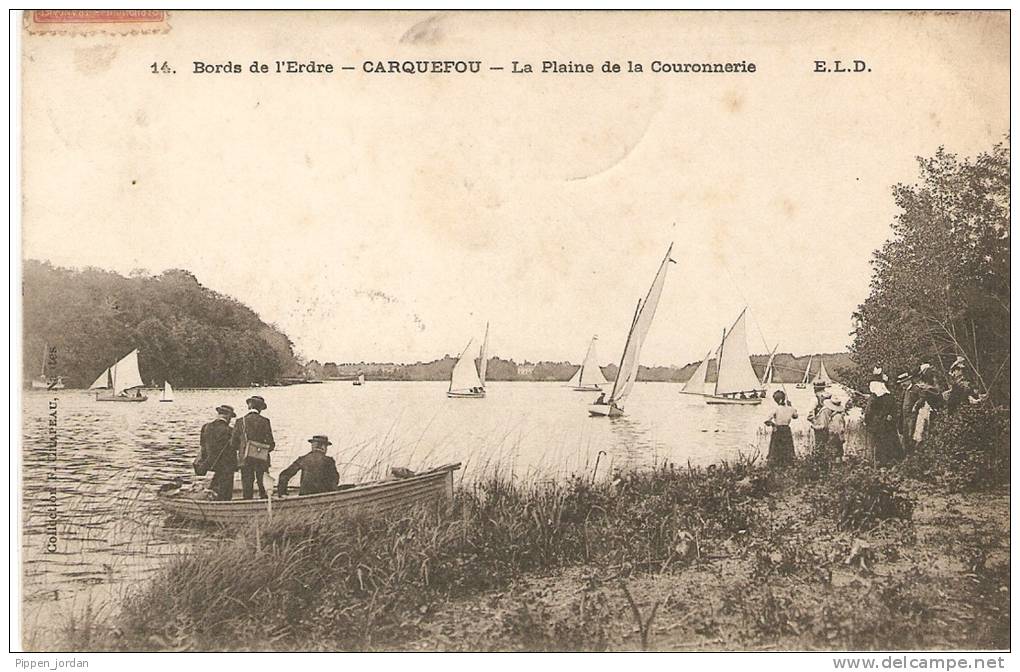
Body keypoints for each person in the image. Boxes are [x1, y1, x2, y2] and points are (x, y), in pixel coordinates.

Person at [230, 395, 275, 499]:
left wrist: (243, 449)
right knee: (263, 481)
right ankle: (264, 500)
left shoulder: (240, 421)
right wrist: (262, 449)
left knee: (247, 482)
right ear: (260, 408)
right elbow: (271, 443)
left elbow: (233, 443)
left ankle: (247, 501)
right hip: (262, 457)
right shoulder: (265, 421)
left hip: (245, 458)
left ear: (249, 406)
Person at [198, 405, 237, 500]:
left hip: (210, 463)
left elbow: (202, 445)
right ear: (228, 416)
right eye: (230, 418)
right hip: (226, 465)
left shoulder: (206, 427)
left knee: (216, 482)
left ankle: (211, 498)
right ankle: (224, 503)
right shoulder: (230, 430)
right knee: (225, 491)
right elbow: (235, 447)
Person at [864, 377, 899, 465]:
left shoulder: (874, 398)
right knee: (890, 443)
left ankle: (879, 463)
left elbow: (868, 412)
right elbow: (894, 411)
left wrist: (867, 421)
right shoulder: (890, 397)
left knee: (879, 445)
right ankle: (891, 462)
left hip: (877, 426)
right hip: (888, 426)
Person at [764, 390, 798, 467]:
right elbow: (795, 416)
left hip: (778, 430)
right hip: (786, 430)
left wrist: (773, 425)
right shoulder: (790, 408)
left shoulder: (776, 409)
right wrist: (791, 406)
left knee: (775, 450)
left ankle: (776, 465)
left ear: (777, 400)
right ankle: (788, 465)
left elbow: (766, 421)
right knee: (787, 449)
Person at [825, 398, 847, 464]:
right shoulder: (838, 416)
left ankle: (837, 467)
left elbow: (838, 429)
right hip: (837, 437)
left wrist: (838, 437)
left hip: (836, 437)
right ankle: (839, 466)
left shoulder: (837, 417)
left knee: (836, 453)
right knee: (838, 452)